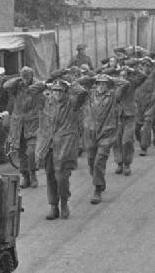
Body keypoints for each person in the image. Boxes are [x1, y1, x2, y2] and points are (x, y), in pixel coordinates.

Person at [34, 77, 87, 220]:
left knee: (62, 177)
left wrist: (71, 83)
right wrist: (46, 82)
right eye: (55, 90)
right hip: (48, 146)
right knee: (50, 176)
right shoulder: (46, 102)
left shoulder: (72, 103)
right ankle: (53, 206)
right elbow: (33, 90)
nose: (57, 93)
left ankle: (64, 202)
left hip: (65, 146)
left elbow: (82, 93)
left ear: (66, 92)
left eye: (60, 91)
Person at [80, 72, 128, 204]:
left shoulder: (113, 96)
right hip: (90, 133)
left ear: (108, 85)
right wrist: (92, 77)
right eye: (99, 83)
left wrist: (110, 77)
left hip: (106, 133)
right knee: (91, 161)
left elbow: (125, 83)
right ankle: (99, 181)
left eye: (104, 84)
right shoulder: (89, 94)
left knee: (99, 161)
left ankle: (97, 190)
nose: (101, 86)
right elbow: (77, 85)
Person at [3, 66, 43, 188]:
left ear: (32, 76)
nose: (25, 80)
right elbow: (6, 86)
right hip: (19, 124)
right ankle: (25, 176)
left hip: (32, 123)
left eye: (27, 77)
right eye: (23, 77)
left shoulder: (37, 85)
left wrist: (29, 84)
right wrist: (18, 79)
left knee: (31, 152)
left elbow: (39, 86)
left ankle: (33, 175)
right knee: (21, 154)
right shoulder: (17, 85)